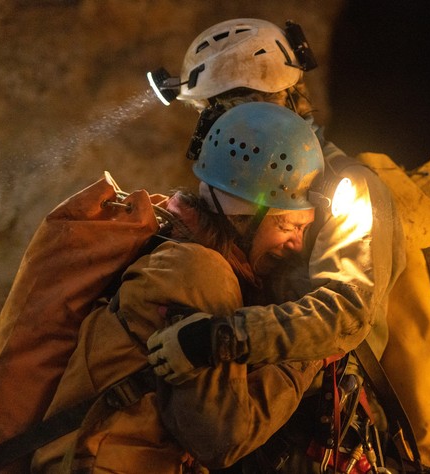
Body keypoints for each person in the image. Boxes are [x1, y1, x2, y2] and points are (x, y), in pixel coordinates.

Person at [145, 17, 408, 472]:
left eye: (219, 114)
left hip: (328, 425)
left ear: (271, 102)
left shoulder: (349, 188)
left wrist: (222, 338)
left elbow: (346, 311)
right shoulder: (260, 183)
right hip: (265, 410)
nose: (218, 135)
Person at [31, 102, 328, 473]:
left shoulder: (178, 248)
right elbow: (221, 437)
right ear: (244, 217)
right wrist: (309, 348)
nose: (297, 244)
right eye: (289, 226)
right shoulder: (201, 272)